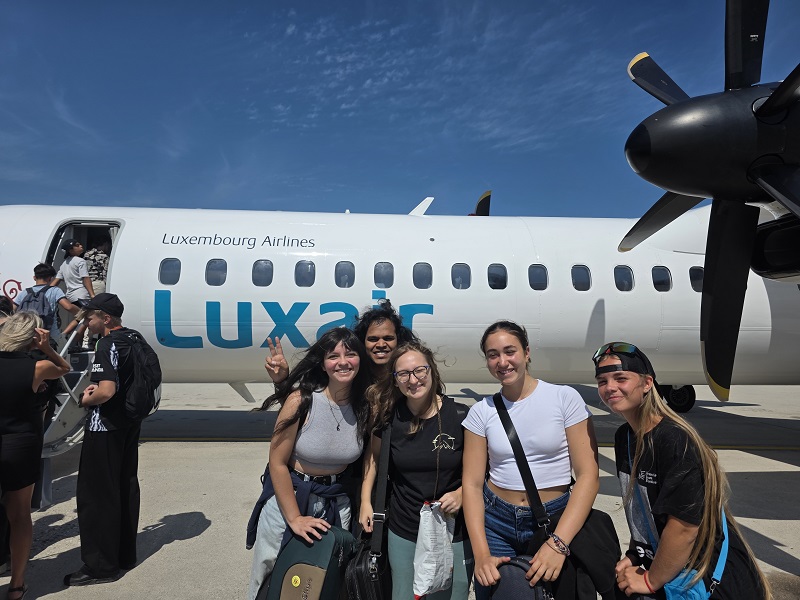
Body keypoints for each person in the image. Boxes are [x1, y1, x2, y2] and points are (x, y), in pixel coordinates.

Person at [593, 342, 771, 599]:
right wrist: (635, 554)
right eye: (602, 381)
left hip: (704, 578)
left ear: (647, 383)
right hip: (671, 568)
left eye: (621, 378)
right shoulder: (626, 437)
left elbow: (684, 527)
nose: (610, 387)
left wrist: (651, 581)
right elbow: (644, 510)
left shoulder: (674, 440)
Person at [461, 320, 601, 599]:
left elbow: (588, 475)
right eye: (493, 355)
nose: (502, 362)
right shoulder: (481, 411)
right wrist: (482, 554)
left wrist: (558, 543)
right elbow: (473, 485)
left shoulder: (564, 398)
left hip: (554, 519)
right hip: (497, 522)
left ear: (526, 353)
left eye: (510, 351)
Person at [246, 327, 371, 599]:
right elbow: (277, 463)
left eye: (350, 354)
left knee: (323, 583)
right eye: (333, 356)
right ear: (323, 364)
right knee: (269, 576)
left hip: (337, 503)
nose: (343, 362)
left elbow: (371, 459)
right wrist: (294, 518)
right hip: (291, 497)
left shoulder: (365, 406)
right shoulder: (301, 400)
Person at [359, 342, 472, 599]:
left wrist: (462, 493)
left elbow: (481, 470)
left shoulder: (460, 416)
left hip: (453, 527)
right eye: (403, 374)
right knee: (405, 593)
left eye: (420, 370)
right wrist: (366, 501)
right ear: (395, 380)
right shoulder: (389, 419)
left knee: (454, 594)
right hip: (406, 527)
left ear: (431, 370)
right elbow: (374, 458)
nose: (413, 380)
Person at [64, 293, 145, 586]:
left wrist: (87, 398)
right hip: (128, 423)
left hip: (104, 427)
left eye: (90, 317)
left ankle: (100, 566)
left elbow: (106, 390)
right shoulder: (134, 338)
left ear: (106, 318)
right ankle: (123, 555)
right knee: (124, 487)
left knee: (97, 496)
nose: (87, 323)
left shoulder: (107, 344)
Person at [0, 312, 70, 599]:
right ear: (32, 336)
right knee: (19, 516)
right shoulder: (37, 367)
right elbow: (64, 368)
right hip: (20, 445)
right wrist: (47, 347)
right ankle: (16, 586)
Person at [264, 298, 419, 389]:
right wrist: (281, 381)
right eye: (372, 339)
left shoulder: (409, 377)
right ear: (362, 342)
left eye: (388, 338)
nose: (381, 344)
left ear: (398, 340)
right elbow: (301, 407)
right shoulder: (352, 376)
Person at [12, 264, 79, 346]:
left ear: (34, 277)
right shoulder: (54, 291)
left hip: (27, 335)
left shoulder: (25, 292)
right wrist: (81, 312)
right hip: (50, 335)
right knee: (63, 351)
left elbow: (12, 310)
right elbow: (68, 307)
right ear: (50, 278)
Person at [52, 239, 94, 307]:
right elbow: (85, 278)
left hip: (70, 297)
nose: (81, 246)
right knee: (88, 313)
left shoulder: (64, 264)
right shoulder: (80, 261)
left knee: (78, 313)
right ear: (70, 250)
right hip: (81, 294)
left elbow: (57, 280)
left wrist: (47, 291)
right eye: (77, 245)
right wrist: (92, 295)